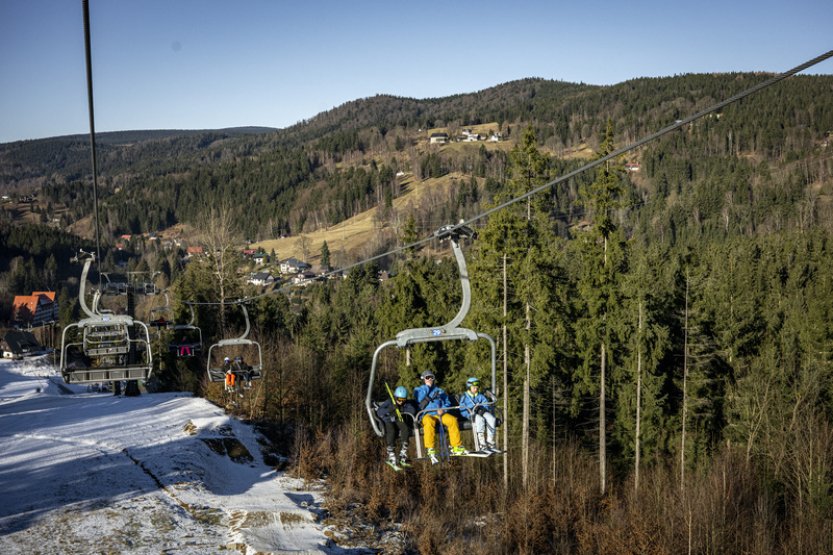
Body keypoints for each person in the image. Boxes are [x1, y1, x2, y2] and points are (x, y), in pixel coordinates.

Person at [413, 370, 468, 463]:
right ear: (423, 379)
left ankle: (456, 446)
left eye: (431, 377)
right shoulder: (419, 390)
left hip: (439, 414)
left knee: (452, 420)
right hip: (427, 414)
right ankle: (430, 448)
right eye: (427, 378)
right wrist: (428, 387)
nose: (430, 379)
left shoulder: (439, 390)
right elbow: (419, 399)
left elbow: (447, 402)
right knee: (428, 422)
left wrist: (443, 409)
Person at [375, 385, 417, 468]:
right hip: (388, 420)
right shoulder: (390, 401)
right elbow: (379, 411)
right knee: (391, 431)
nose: (401, 402)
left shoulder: (405, 403)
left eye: (403, 400)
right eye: (399, 400)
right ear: (395, 397)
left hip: (398, 418)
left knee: (405, 428)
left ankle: (403, 451)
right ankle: (391, 452)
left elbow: (412, 410)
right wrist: (390, 409)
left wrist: (402, 409)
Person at [459, 376, 498, 453]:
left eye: (477, 387)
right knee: (480, 419)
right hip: (471, 414)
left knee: (491, 418)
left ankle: (490, 441)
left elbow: (486, 404)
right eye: (474, 387)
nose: (476, 389)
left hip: (481, 412)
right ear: (469, 387)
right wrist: (472, 410)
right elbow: (462, 408)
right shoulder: (465, 397)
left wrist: (483, 409)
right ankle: (482, 443)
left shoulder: (480, 395)